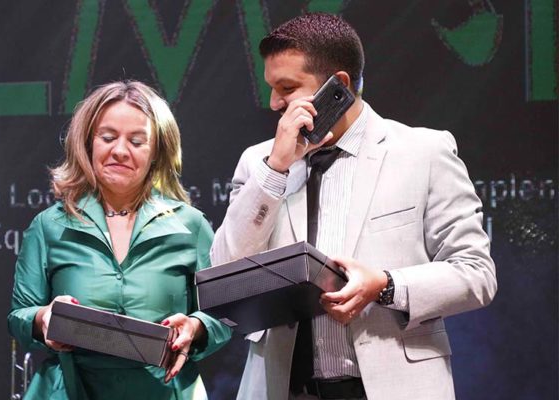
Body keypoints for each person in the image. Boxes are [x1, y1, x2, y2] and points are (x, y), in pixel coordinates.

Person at [210, 13, 497, 400]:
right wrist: (276, 168)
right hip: (283, 389)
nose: (274, 102)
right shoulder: (259, 163)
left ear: (339, 85)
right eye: (272, 88)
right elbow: (225, 273)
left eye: (287, 88)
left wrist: (387, 285)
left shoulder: (424, 152)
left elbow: (476, 273)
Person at [7, 81, 231, 400]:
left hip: (164, 391)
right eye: (108, 137)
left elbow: (223, 316)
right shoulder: (49, 225)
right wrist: (43, 319)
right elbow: (19, 316)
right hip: (70, 389)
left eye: (137, 141)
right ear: (88, 144)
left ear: (157, 152)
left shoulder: (190, 225)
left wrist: (195, 327)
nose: (120, 151)